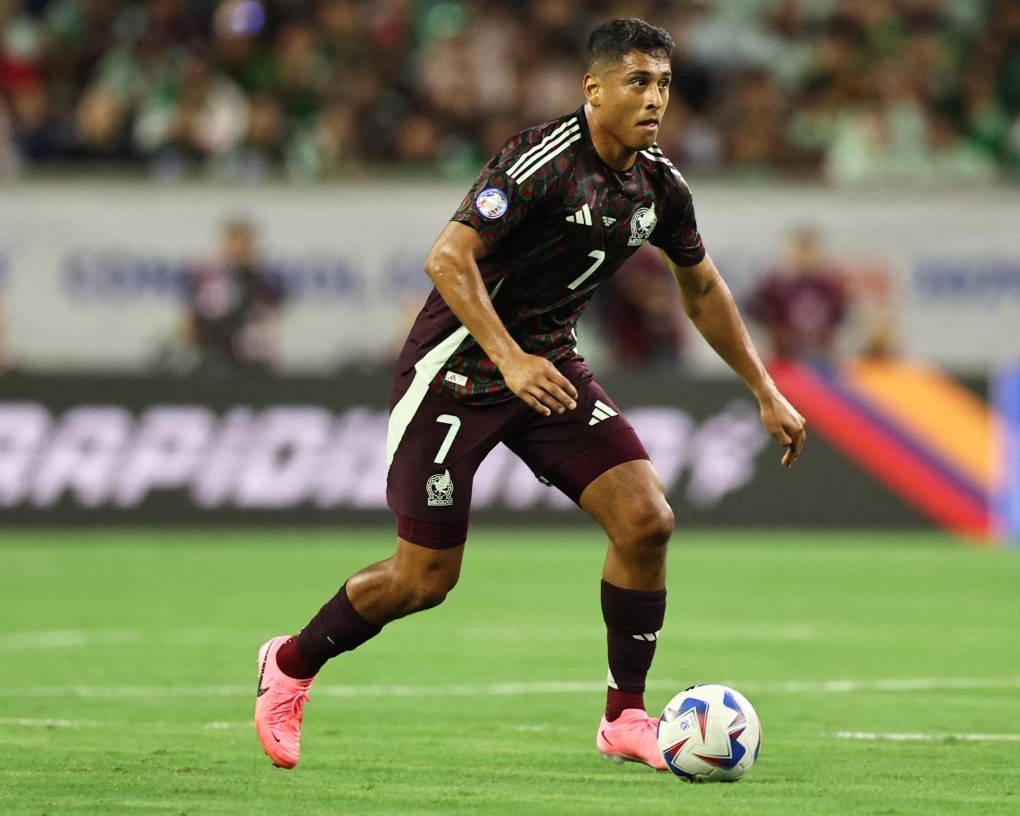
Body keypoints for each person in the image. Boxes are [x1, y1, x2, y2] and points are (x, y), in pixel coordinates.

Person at [253, 18, 807, 772]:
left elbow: (702, 286)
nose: (654, 100)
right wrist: (508, 358)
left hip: (544, 370)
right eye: (638, 82)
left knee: (646, 520)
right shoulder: (542, 160)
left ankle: (626, 718)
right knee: (424, 581)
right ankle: (289, 665)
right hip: (455, 374)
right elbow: (446, 258)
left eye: (665, 84)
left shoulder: (660, 185)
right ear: (595, 88)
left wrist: (764, 389)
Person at [185, 218, 284, 374]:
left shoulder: (263, 283)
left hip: (258, 364)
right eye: (235, 243)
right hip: (223, 365)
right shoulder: (214, 283)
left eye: (245, 243)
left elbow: (272, 311)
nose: (240, 250)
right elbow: (203, 325)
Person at [748, 226, 849, 363]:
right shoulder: (777, 286)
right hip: (785, 357)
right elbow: (753, 308)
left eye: (809, 250)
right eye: (801, 250)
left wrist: (828, 336)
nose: (806, 256)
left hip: (820, 355)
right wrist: (774, 332)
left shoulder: (829, 288)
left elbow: (841, 314)